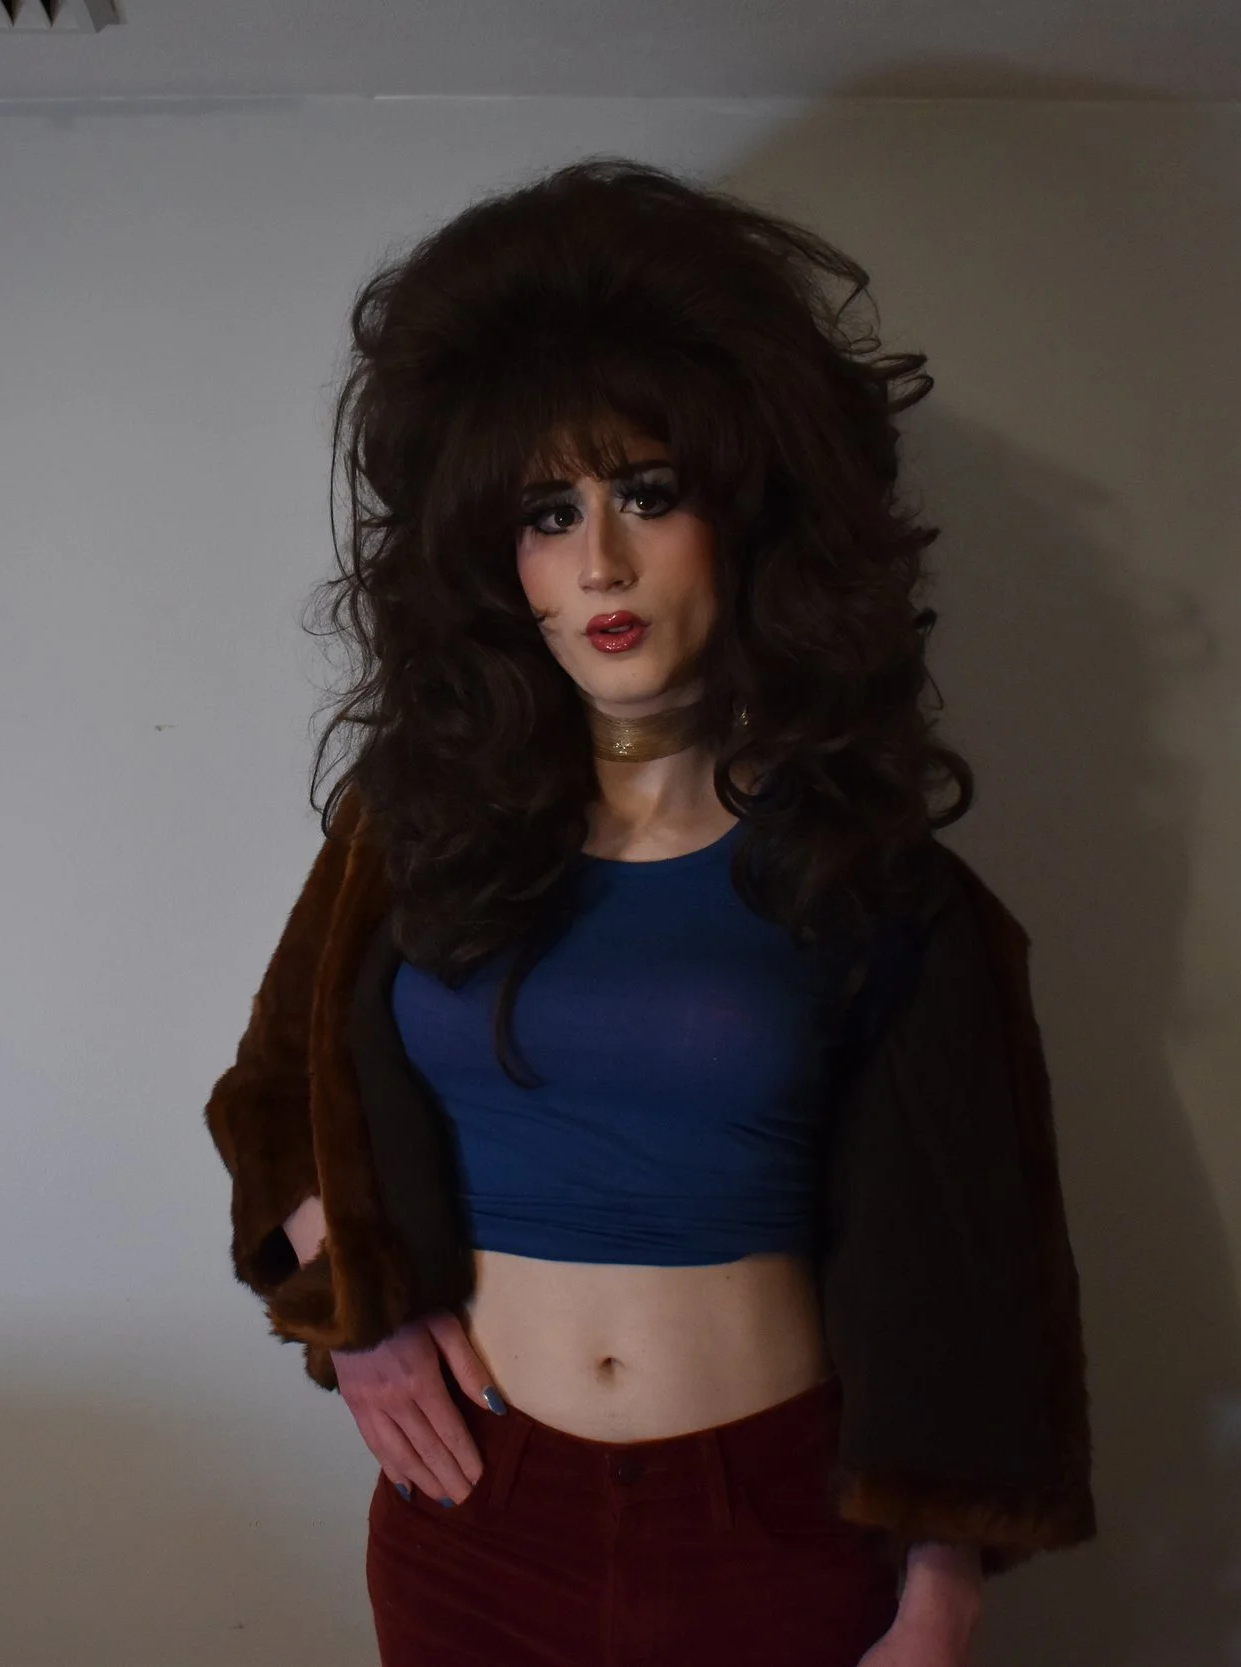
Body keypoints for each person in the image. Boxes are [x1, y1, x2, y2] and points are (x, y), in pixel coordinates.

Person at [203, 159, 1093, 1667]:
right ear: (496, 561)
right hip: (473, 1517)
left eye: (648, 495)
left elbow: (976, 1262)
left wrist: (942, 1594)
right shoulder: (408, 837)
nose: (600, 560)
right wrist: (359, 1313)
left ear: (747, 519)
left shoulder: (873, 877)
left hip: (774, 1526)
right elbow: (278, 1098)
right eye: (548, 513)